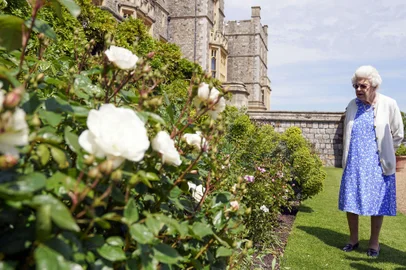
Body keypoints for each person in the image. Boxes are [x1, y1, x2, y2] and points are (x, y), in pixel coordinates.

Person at [339, 65, 404, 258]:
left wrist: (387, 152)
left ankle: (374, 243)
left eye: (363, 86)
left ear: (373, 86)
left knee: (377, 204)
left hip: (378, 165)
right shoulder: (352, 105)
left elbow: (398, 134)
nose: (358, 89)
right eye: (356, 86)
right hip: (354, 163)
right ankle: (353, 239)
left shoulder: (389, 104)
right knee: (351, 201)